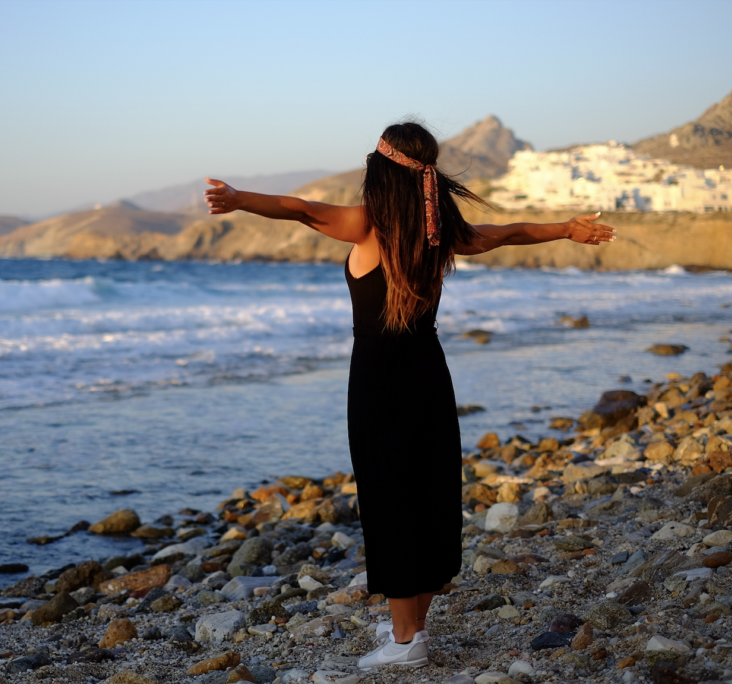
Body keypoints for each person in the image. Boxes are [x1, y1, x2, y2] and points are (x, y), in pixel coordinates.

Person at [203, 121, 613, 671]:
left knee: (390, 499)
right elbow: (505, 232)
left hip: (379, 381)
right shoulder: (442, 231)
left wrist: (237, 199)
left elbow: (299, 208)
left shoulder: (366, 226)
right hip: (428, 373)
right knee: (426, 494)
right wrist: (567, 228)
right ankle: (413, 627)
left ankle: (404, 643)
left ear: (381, 172)